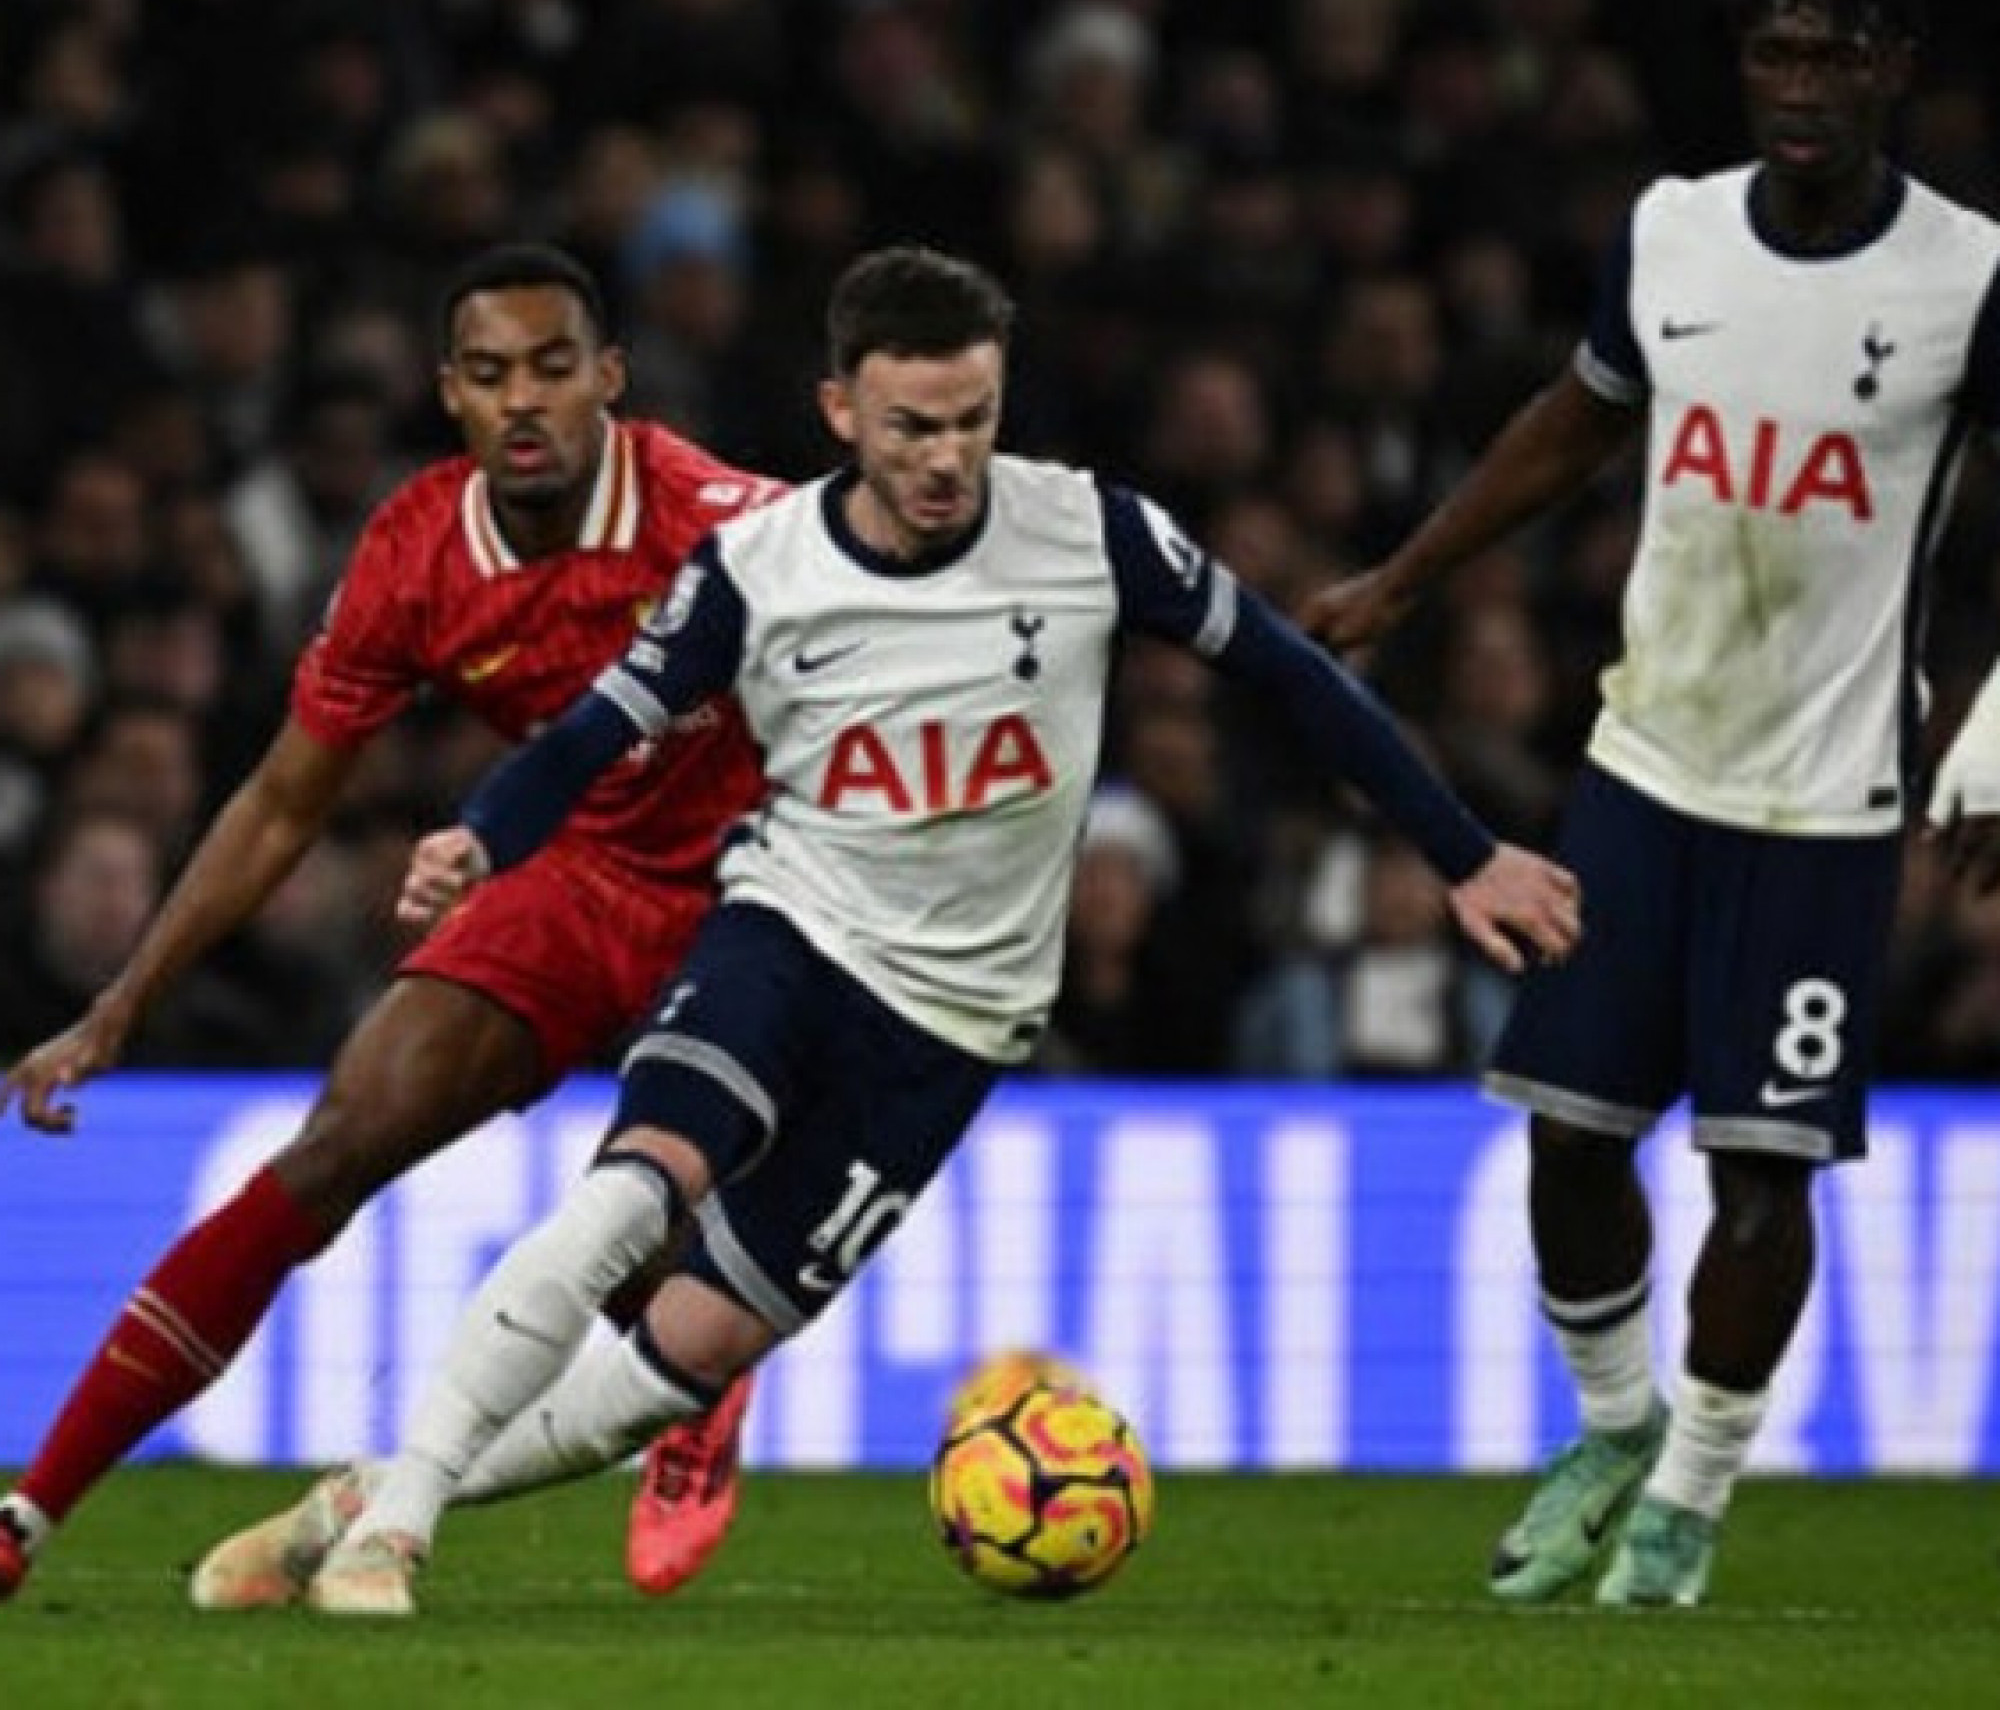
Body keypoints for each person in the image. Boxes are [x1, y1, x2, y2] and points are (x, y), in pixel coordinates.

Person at [264, 241, 1581, 1617]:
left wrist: (1465, 854)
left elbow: (1292, 679)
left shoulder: (1092, 533)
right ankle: (397, 1536)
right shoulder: (756, 569)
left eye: (972, 420)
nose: (947, 457)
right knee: (632, 1194)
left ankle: (379, 1485)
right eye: (911, 427)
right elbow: (594, 731)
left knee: (680, 1357)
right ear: (842, 412)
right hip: (787, 938)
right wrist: (483, 833)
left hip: (952, 1024)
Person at [1303, 0, 2000, 1608]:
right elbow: (1583, 411)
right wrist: (1405, 578)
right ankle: (1611, 1428)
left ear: (1895, 73)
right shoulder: (1672, 230)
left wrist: (1993, 728)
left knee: (1759, 1171)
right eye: (1776, 53)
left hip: (1827, 806)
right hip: (1644, 762)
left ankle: (1689, 1497)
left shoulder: (1970, 274)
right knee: (1565, 1135)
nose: (1802, 87)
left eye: (1836, 56)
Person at [0, 243, 779, 1605]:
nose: (522, 401)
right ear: (450, 395)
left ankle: (690, 1380)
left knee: (645, 1184)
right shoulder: (417, 553)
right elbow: (281, 802)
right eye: (489, 376)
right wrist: (124, 1002)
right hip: (578, 876)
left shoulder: (724, 519)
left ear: (611, 379)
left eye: (551, 368)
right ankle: (29, 1509)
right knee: (336, 1143)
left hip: (759, 884)